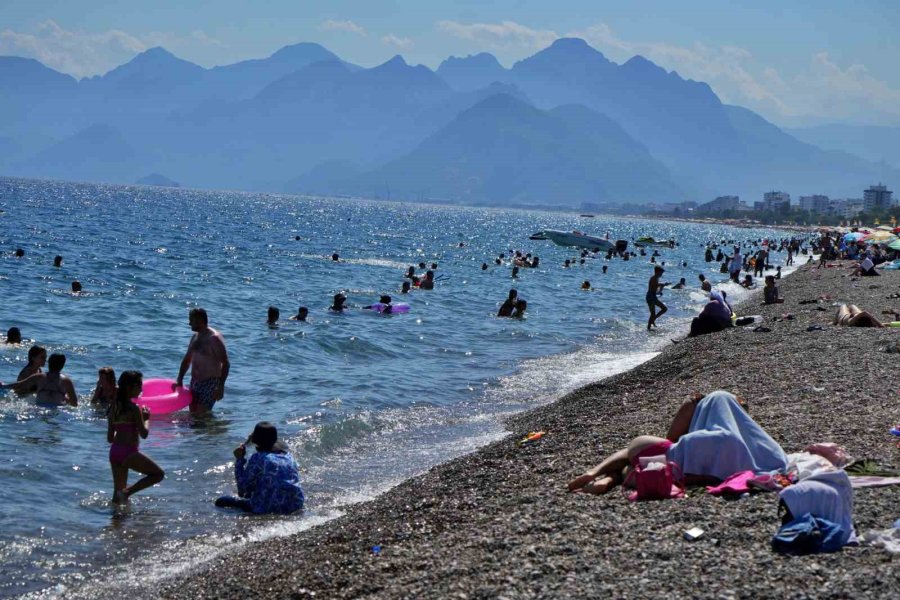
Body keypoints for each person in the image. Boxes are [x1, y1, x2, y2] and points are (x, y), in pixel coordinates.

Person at [568, 390, 787, 495]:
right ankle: (610, 480)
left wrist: (693, 404)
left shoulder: (703, 417)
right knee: (634, 469)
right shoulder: (760, 450)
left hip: (652, 450)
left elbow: (671, 437)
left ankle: (597, 472)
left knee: (631, 453)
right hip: (667, 472)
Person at [215, 422, 305, 514]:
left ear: (256, 442)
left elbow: (242, 491)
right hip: (296, 505)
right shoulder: (289, 457)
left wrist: (239, 460)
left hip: (269, 508)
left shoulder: (258, 458)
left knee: (221, 501)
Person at [108, 370, 164, 504]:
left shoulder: (113, 407)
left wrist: (122, 431)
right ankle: (127, 492)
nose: (141, 389)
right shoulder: (134, 408)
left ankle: (116, 516)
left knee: (117, 495)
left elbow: (110, 438)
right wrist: (146, 419)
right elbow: (144, 434)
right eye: (139, 385)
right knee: (158, 474)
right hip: (128, 452)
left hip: (115, 451)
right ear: (129, 387)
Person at [174, 308, 230, 414]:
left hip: (210, 383)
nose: (189, 323)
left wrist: (220, 386)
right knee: (194, 415)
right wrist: (179, 379)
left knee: (201, 414)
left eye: (191, 320)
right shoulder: (195, 337)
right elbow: (187, 360)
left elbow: (226, 363)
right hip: (194, 382)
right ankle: (211, 424)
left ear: (200, 320)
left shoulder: (214, 338)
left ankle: (212, 424)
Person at [8, 353, 78, 406]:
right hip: (56, 409)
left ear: (49, 363)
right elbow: (74, 403)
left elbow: (18, 384)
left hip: (39, 408)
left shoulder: (39, 376)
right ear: (62, 365)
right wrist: (64, 397)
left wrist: (4, 386)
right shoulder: (66, 381)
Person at [646, 265, 669, 330]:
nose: (661, 275)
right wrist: (663, 284)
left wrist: (662, 287)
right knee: (659, 311)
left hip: (652, 296)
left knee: (663, 309)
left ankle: (652, 322)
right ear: (657, 272)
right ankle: (649, 327)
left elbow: (655, 289)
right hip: (650, 297)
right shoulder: (653, 278)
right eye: (661, 273)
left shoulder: (656, 278)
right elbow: (656, 285)